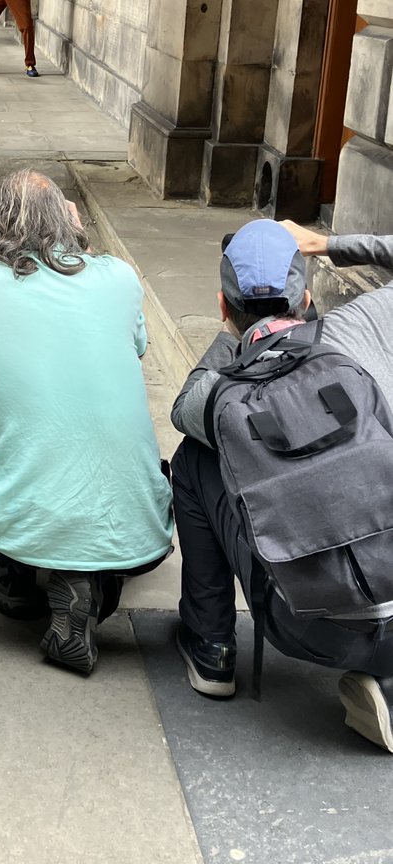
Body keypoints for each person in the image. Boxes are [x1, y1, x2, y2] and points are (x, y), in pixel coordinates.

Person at [170, 218, 393, 752]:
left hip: (307, 629)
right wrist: (330, 244)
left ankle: (212, 647)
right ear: (311, 297)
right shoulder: (373, 324)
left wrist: (236, 343)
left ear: (224, 309)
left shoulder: (223, 397)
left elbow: (183, 409)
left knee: (193, 461)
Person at [0, 169, 173, 675]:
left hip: (19, 520)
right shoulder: (118, 276)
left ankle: (12, 568)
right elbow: (136, 349)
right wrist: (79, 243)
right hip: (140, 535)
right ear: (70, 220)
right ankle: (86, 579)